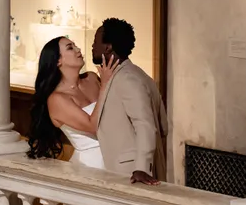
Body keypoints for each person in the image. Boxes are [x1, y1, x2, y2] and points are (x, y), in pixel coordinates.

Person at [91, 18, 167, 185]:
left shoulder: (126, 79)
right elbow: (164, 126)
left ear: (108, 47)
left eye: (95, 41)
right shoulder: (141, 75)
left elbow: (145, 124)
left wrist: (142, 168)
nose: (92, 46)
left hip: (131, 174)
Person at [27, 36, 116, 166]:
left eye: (75, 45)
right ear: (58, 61)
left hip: (117, 153)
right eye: (70, 48)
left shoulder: (91, 78)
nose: (78, 49)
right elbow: (92, 126)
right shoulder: (56, 99)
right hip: (92, 163)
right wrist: (105, 85)